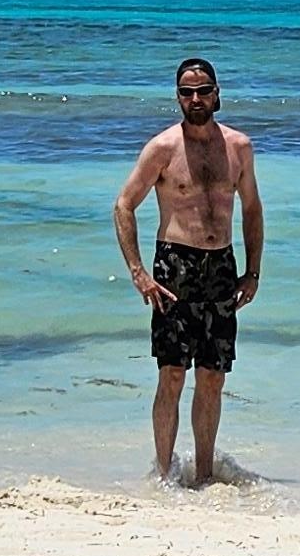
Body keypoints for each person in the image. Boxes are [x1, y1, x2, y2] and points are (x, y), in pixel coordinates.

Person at [113, 54, 263, 487]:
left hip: (221, 268)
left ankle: (202, 475)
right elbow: (124, 205)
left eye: (203, 91)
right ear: (177, 97)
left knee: (213, 377)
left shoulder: (238, 148)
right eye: (186, 92)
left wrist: (253, 272)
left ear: (218, 94)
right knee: (172, 374)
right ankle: (163, 475)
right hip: (174, 267)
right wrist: (139, 272)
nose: (195, 99)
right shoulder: (162, 148)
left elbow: (251, 209)